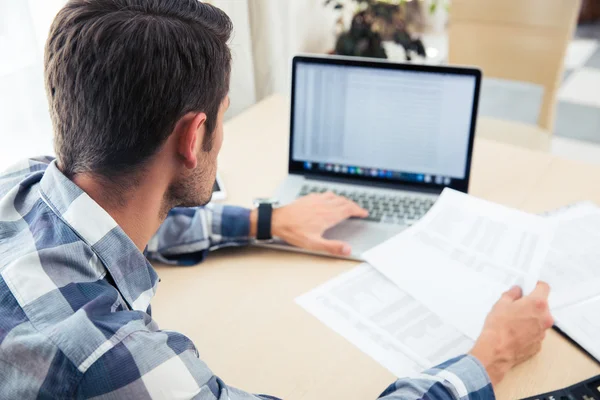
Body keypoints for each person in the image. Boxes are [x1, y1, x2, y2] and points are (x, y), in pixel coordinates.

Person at [0, 1, 554, 399]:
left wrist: (268, 219)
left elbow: (119, 222)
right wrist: (489, 357)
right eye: (224, 115)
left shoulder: (21, 188)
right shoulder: (112, 360)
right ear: (193, 138)